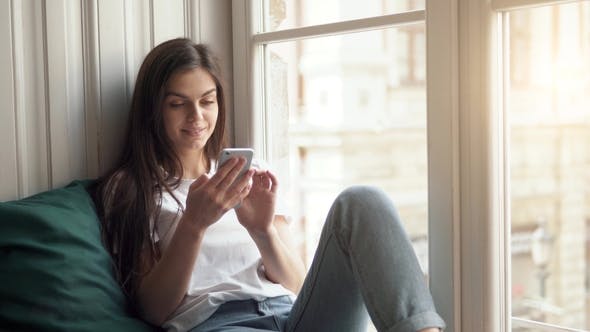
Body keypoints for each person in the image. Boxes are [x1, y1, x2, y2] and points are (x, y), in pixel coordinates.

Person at [94, 37, 446, 332]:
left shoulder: (247, 170)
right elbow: (153, 310)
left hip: (292, 316)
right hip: (218, 325)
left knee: (362, 200)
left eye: (207, 101)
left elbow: (295, 282)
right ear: (153, 109)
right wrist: (193, 224)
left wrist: (262, 230)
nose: (197, 117)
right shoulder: (130, 188)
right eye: (177, 104)